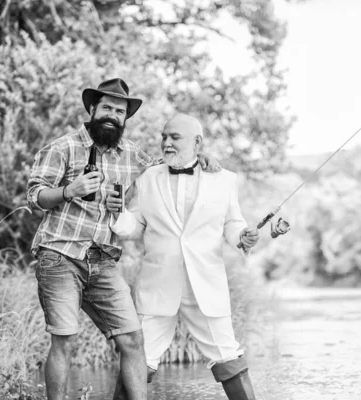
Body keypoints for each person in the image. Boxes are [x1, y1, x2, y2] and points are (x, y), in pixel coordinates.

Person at [27, 80, 218, 400]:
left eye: (119, 111)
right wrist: (68, 191)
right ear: (92, 109)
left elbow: (168, 164)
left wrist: (200, 155)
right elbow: (35, 196)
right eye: (107, 108)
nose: (113, 115)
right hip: (59, 254)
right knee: (65, 340)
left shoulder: (130, 154)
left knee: (132, 340)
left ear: (125, 118)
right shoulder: (63, 147)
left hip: (103, 261)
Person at [108, 114, 260, 400]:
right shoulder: (147, 179)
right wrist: (118, 214)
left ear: (197, 142)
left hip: (206, 284)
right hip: (159, 283)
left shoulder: (225, 180)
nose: (166, 143)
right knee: (139, 358)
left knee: (228, 355)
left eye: (175, 137)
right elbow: (133, 227)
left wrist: (242, 237)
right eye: (164, 136)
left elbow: (232, 223)